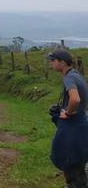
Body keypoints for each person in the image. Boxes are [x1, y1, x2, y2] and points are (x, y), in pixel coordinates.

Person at [48, 49, 88, 187]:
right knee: (78, 167)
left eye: (53, 60)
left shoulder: (69, 78)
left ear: (62, 62)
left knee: (71, 162)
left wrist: (68, 112)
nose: (50, 63)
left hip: (73, 127)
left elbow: (75, 99)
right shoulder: (77, 75)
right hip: (81, 124)